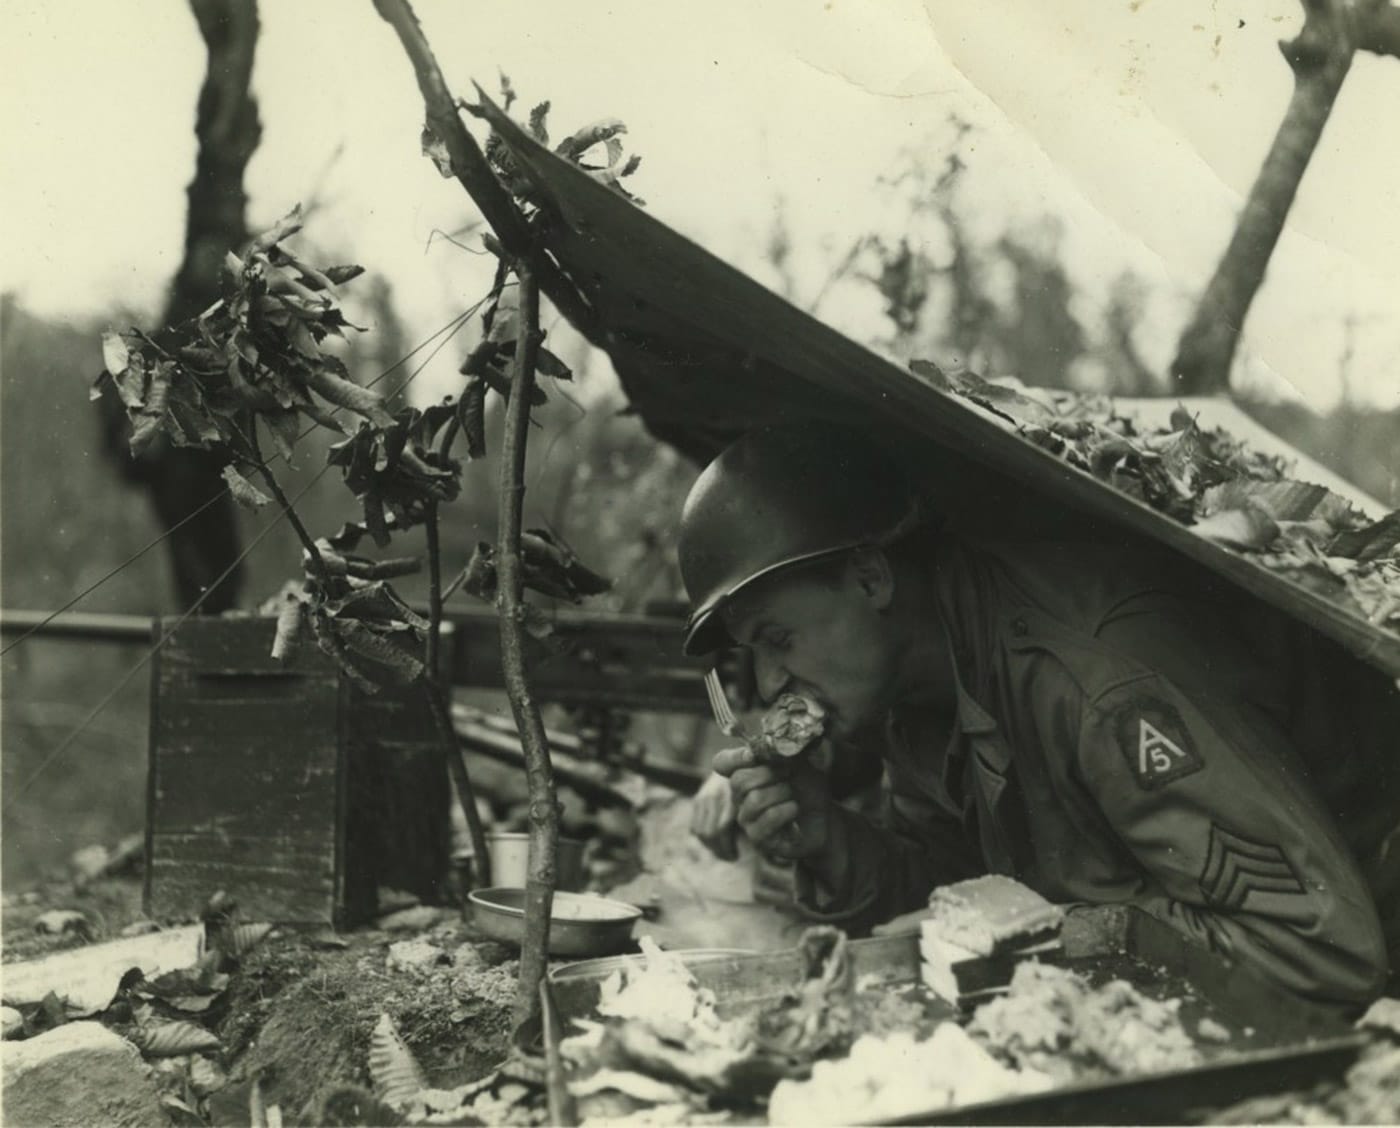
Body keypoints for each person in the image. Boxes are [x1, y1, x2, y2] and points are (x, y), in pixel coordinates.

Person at [677, 421, 1398, 1010]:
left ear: (870, 576)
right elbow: (962, 891)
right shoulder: (916, 685)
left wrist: (1046, 942)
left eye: (777, 639)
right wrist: (832, 844)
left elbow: (1319, 953)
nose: (770, 683)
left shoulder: (1097, 676)